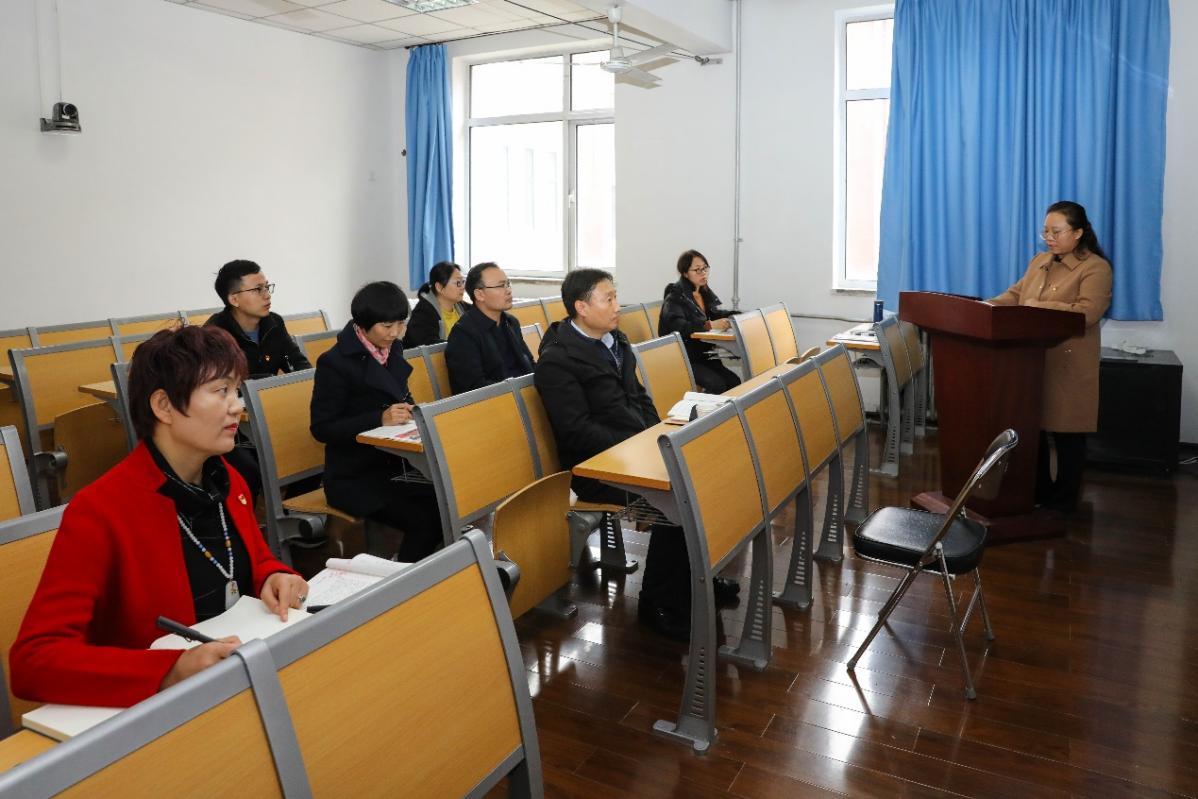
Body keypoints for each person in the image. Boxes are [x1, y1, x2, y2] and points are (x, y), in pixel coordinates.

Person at [10, 326, 307, 708]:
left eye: (236, 390)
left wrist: (274, 575)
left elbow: (252, 560)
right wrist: (170, 670)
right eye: (221, 391)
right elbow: (33, 661)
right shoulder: (100, 510)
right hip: (159, 709)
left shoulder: (227, 480)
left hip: (235, 682)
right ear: (164, 406)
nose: (237, 405)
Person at [534, 268, 737, 641]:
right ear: (581, 307)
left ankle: (695, 581)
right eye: (608, 298)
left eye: (616, 296)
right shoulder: (558, 360)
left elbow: (639, 397)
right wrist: (636, 445)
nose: (617, 306)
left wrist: (656, 436)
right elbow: (576, 430)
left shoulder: (616, 342)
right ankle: (657, 603)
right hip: (596, 468)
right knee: (679, 494)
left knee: (704, 474)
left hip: (633, 453)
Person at [989, 200, 1112, 513]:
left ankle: (1065, 501)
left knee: (1069, 434)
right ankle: (1040, 492)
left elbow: (1087, 313)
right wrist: (985, 308)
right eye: (1045, 231)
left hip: (1068, 363)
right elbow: (1016, 295)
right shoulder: (1040, 260)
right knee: (1036, 430)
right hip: (1033, 360)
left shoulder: (1095, 267)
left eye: (1057, 232)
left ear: (1078, 233)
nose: (1049, 238)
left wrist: (1038, 307)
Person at [310, 281, 444, 562]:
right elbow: (322, 428)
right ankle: (403, 582)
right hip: (354, 476)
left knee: (449, 500)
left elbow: (397, 395)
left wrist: (411, 411)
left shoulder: (392, 348)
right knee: (427, 520)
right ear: (363, 323)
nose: (395, 333)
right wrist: (378, 418)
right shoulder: (334, 363)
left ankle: (427, 572)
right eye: (386, 325)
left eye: (401, 323)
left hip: (394, 464)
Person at [205, 259, 311, 379]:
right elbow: (223, 383)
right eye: (257, 289)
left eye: (267, 287)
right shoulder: (214, 335)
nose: (267, 295)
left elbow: (299, 364)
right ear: (234, 300)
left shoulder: (274, 322)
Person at [659, 249, 741, 393]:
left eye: (705, 268)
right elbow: (678, 327)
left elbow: (713, 314)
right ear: (685, 273)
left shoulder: (702, 292)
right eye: (697, 270)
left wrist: (735, 316)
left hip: (703, 354)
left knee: (734, 382)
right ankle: (700, 407)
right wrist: (709, 325)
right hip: (683, 357)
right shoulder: (675, 297)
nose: (703, 273)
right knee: (718, 385)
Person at [445, 262, 534, 394]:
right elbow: (474, 388)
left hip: (524, 394)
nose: (508, 290)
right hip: (496, 401)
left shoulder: (511, 322)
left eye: (508, 284)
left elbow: (529, 363)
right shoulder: (463, 333)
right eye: (501, 286)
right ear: (479, 295)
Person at [403, 261, 469, 348]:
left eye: (463, 281)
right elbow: (430, 346)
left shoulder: (465, 308)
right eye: (458, 282)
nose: (463, 287)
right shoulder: (423, 313)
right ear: (439, 287)